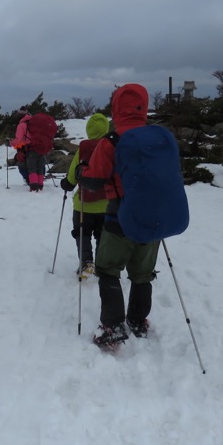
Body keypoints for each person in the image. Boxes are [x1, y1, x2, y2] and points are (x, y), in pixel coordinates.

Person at [76, 84, 160, 348]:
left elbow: (93, 180)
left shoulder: (111, 141)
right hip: (153, 217)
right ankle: (137, 320)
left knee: (109, 269)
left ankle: (112, 328)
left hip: (119, 216)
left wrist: (79, 173)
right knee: (142, 273)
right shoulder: (158, 138)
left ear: (116, 108)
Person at [60, 112, 110, 280]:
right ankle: (103, 264)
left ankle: (86, 261)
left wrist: (67, 184)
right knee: (103, 235)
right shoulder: (111, 147)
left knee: (82, 232)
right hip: (107, 204)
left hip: (83, 204)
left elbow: (73, 174)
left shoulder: (84, 148)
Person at [9, 106, 46, 192]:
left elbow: (18, 140)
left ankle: (33, 186)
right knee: (40, 167)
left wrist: (10, 143)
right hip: (41, 147)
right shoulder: (35, 123)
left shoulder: (22, 125)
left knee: (31, 168)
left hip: (30, 149)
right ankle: (40, 185)